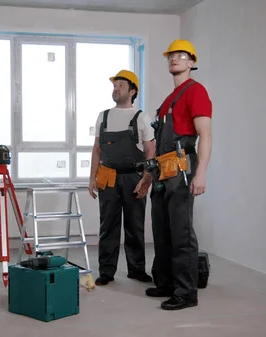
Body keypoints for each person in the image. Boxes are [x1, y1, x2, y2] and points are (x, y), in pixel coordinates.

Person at [145, 39, 213, 310]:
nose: (175, 59)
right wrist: (147, 177)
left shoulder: (196, 92)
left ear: (191, 62)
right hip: (162, 169)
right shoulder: (168, 100)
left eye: (181, 56)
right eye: (171, 56)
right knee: (161, 229)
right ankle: (166, 283)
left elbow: (205, 135)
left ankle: (186, 292)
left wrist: (201, 173)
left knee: (181, 231)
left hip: (182, 166)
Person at [88, 70, 156, 286]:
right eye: (114, 86)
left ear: (133, 91)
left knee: (135, 226)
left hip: (133, 177)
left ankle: (136, 270)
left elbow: (150, 151)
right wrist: (92, 178)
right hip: (107, 177)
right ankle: (106, 271)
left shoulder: (141, 117)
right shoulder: (104, 116)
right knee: (108, 226)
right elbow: (97, 149)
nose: (115, 89)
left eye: (121, 86)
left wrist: (146, 179)